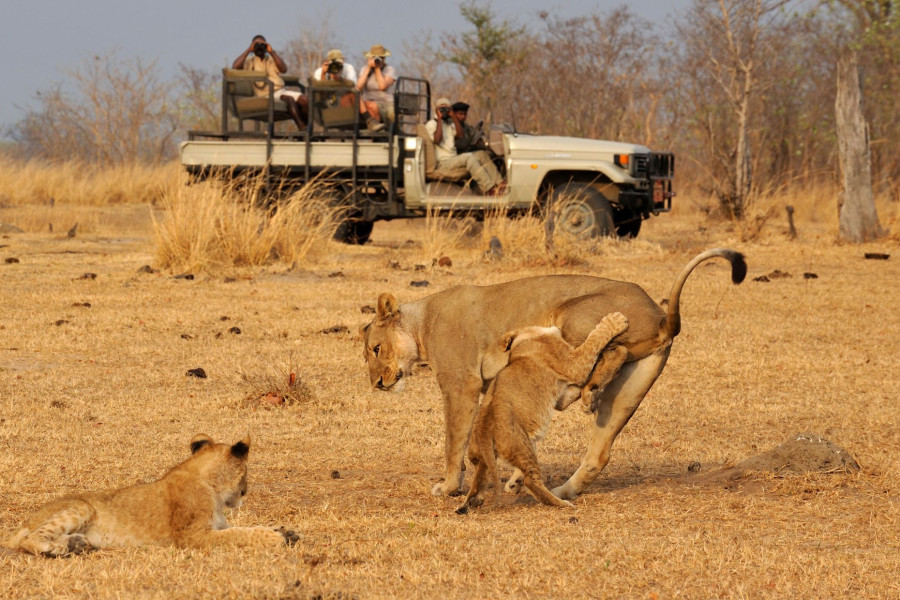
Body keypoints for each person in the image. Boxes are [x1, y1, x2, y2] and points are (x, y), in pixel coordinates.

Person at [425, 97, 505, 195]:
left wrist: (453, 117)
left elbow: (461, 136)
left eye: (447, 109)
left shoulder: (450, 124)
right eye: (442, 109)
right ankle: (489, 188)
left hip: (453, 159)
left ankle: (501, 183)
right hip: (443, 162)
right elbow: (437, 140)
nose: (444, 111)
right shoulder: (432, 124)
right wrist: (439, 120)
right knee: (468, 158)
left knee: (481, 154)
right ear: (436, 110)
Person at [232, 34, 306, 130]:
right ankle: (303, 128)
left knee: (305, 99)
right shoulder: (249, 61)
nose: (259, 47)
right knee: (289, 99)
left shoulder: (271, 59)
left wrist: (272, 52)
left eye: (262, 44)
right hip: (266, 95)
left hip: (281, 91)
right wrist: (248, 50)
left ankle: (307, 129)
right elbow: (235, 66)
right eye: (256, 45)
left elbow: (284, 69)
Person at [356, 44, 397, 132]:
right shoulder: (365, 69)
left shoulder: (389, 69)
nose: (378, 60)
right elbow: (358, 86)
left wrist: (377, 69)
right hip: (368, 103)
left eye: (381, 57)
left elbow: (382, 86)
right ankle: (373, 126)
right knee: (357, 97)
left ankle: (378, 130)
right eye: (375, 57)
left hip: (385, 103)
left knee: (372, 105)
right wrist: (368, 68)